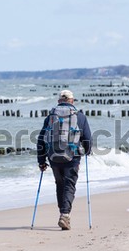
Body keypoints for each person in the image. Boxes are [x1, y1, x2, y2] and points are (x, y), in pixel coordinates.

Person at [37, 89, 92, 230]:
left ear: (59, 101)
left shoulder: (50, 116)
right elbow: (87, 138)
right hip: (72, 156)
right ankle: (65, 215)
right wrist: (88, 150)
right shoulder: (80, 116)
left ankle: (63, 212)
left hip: (54, 157)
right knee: (69, 184)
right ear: (72, 101)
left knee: (60, 184)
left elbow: (41, 139)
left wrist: (41, 160)